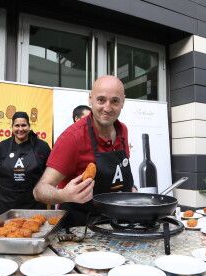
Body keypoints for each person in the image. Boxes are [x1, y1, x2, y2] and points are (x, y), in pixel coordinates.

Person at [33, 75, 134, 227]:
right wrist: (63, 194)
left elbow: (117, 175)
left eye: (114, 101)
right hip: (81, 229)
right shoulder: (72, 138)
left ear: (123, 102)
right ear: (90, 99)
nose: (107, 108)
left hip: (119, 223)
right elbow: (39, 190)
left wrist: (131, 190)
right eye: (101, 100)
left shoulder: (122, 130)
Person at [0, 111, 51, 216]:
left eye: (24, 125)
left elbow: (49, 171)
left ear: (29, 126)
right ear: (12, 127)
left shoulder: (42, 147)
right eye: (17, 125)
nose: (20, 129)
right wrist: (8, 188)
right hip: (7, 203)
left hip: (34, 202)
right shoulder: (1, 147)